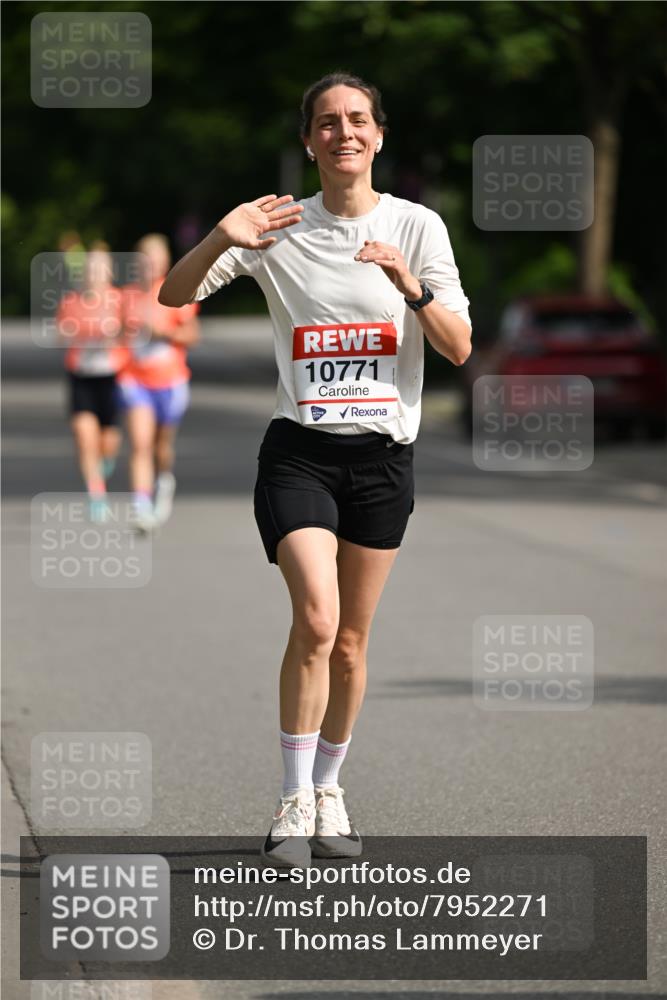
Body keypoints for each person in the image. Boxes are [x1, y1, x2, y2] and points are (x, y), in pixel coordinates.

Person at [159, 72, 472, 867]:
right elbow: (173, 294)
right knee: (319, 621)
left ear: (378, 135)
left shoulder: (419, 227)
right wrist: (223, 236)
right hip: (299, 452)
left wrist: (409, 287)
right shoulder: (278, 226)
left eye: (357, 120)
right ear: (309, 141)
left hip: (382, 459)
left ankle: (330, 790)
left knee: (352, 644)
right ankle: (292, 800)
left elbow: (459, 347)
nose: (343, 133)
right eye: (327, 123)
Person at [118, 234, 200, 531]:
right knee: (140, 444)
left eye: (156, 257)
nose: (150, 263)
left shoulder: (176, 292)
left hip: (171, 381)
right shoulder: (126, 297)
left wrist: (162, 333)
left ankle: (164, 480)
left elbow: (192, 335)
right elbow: (114, 334)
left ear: (165, 261)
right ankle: (140, 508)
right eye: (145, 257)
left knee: (161, 447)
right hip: (134, 380)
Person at [57, 243, 128, 522]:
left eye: (100, 268)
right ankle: (96, 494)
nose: (94, 274)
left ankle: (104, 465)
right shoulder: (71, 302)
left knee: (108, 442)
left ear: (109, 272)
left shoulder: (119, 300)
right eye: (90, 268)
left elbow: (132, 333)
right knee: (84, 436)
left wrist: (117, 333)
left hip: (113, 377)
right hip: (82, 377)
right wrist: (79, 331)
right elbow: (61, 333)